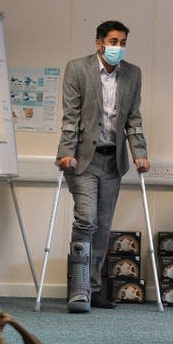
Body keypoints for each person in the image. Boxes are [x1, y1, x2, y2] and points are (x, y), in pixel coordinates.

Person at [57, 20, 149, 313]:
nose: (117, 47)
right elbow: (70, 116)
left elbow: (134, 119)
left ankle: (94, 288)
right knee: (86, 219)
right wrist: (65, 152)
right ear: (98, 43)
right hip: (83, 159)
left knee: (103, 227)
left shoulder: (133, 74)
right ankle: (79, 289)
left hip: (113, 160)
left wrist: (140, 153)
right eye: (113, 41)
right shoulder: (77, 68)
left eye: (122, 42)